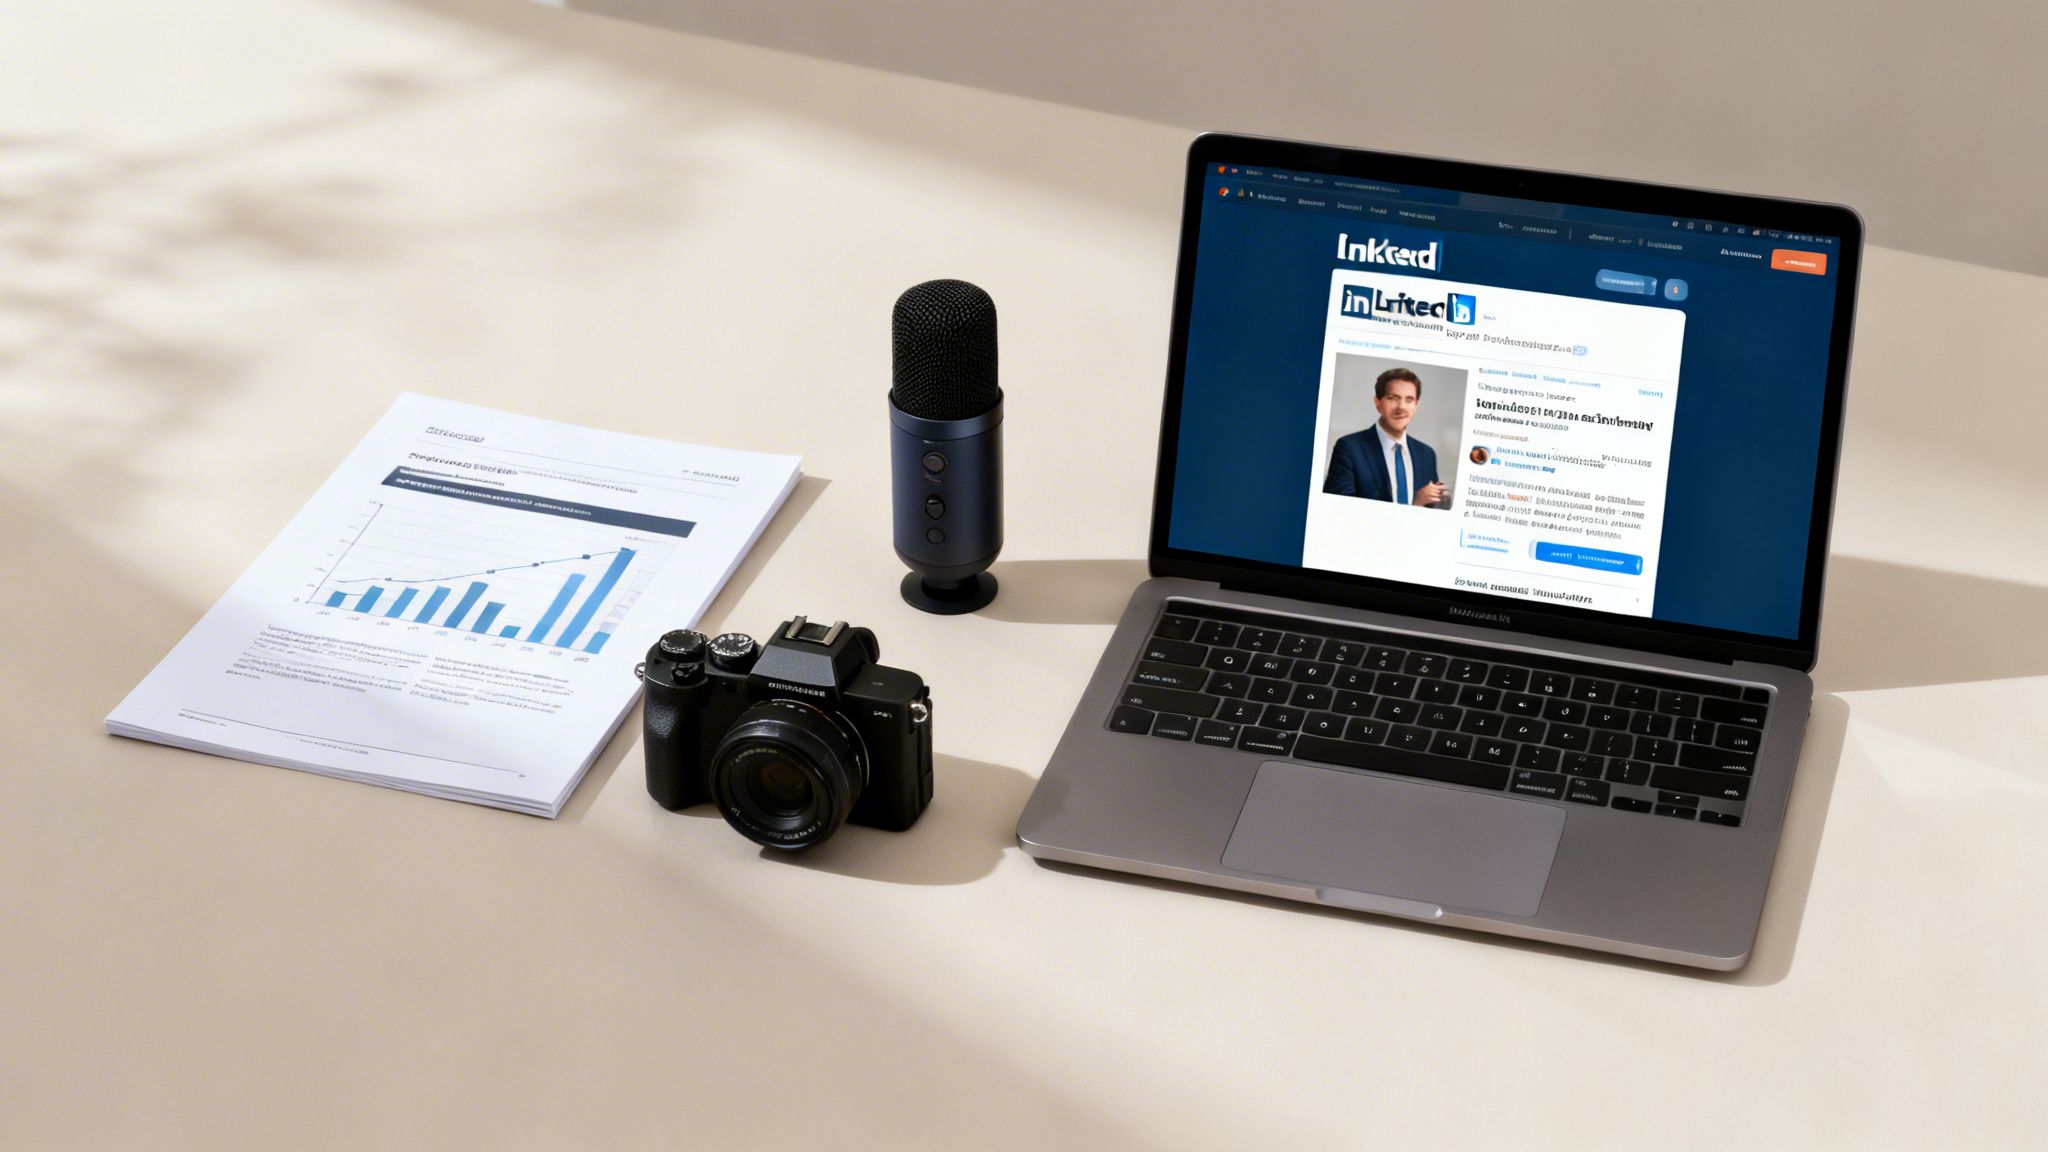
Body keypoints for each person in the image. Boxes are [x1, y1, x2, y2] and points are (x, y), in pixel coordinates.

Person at [1323, 367, 1446, 506]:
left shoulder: (1426, 454)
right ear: (1378, 403)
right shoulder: (1349, 448)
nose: (1401, 407)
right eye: (1393, 398)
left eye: (1409, 400)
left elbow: (1432, 513)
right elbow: (1337, 509)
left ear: (1416, 406)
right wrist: (1415, 505)